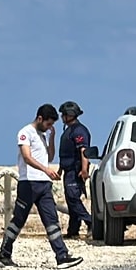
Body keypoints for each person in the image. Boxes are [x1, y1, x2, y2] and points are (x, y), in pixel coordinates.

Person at [0, 104, 83, 270]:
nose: (49, 127)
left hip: (44, 185)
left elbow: (49, 156)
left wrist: (51, 138)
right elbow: (27, 157)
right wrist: (46, 170)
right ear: (40, 119)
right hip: (29, 183)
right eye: (48, 124)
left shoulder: (43, 135)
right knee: (18, 220)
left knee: (51, 220)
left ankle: (62, 256)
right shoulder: (25, 133)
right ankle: (4, 254)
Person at [57, 101, 93, 239]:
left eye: (63, 115)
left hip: (75, 170)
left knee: (73, 198)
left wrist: (84, 170)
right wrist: (60, 170)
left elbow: (84, 151)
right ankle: (73, 230)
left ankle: (90, 222)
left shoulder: (79, 131)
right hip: (67, 170)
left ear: (69, 115)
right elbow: (66, 153)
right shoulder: (68, 131)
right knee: (70, 199)